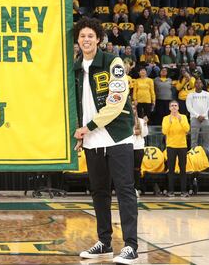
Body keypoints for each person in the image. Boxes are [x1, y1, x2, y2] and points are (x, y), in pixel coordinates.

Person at [73, 18, 138, 264]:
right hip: (92, 140)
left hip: (117, 136)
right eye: (82, 36)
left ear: (98, 39)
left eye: (90, 35)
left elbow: (116, 101)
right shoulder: (75, 68)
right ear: (77, 40)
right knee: (99, 192)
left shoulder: (113, 62)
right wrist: (80, 133)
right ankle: (104, 242)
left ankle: (131, 246)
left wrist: (87, 127)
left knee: (124, 190)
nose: (86, 40)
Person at [162, 101, 190, 197]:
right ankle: (171, 191)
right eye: (172, 106)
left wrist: (180, 120)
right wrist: (170, 122)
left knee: (183, 169)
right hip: (171, 146)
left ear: (178, 107)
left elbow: (187, 129)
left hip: (182, 146)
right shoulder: (166, 118)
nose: (174, 107)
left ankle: (184, 191)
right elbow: (164, 131)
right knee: (171, 169)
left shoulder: (183, 117)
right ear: (169, 108)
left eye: (175, 105)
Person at [186, 79, 209, 149]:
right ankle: (194, 153)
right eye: (196, 83)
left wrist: (204, 115)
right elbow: (189, 107)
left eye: (200, 83)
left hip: (205, 118)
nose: (198, 84)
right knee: (194, 138)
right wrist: (197, 116)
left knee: (206, 139)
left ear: (202, 84)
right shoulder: (190, 95)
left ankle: (206, 153)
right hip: (194, 118)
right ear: (194, 85)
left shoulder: (207, 94)